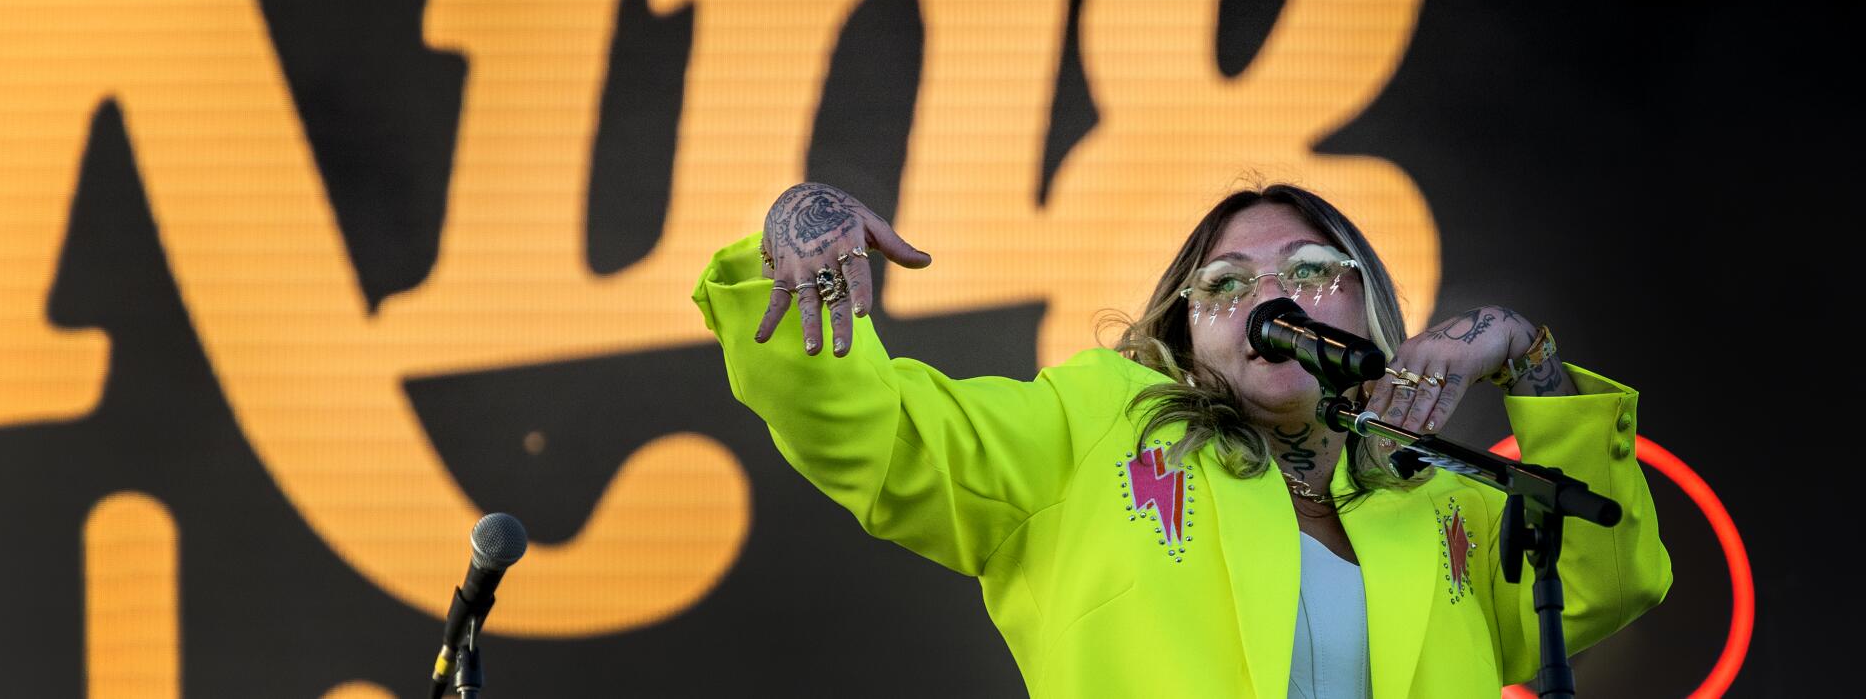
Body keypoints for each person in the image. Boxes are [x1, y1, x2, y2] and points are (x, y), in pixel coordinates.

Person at [691, 181, 1671, 698]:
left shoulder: (1443, 503)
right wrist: (794, 233)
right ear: (1185, 336)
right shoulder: (1095, 427)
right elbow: (876, 433)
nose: (1269, 294)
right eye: (1225, 284)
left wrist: (1527, 355)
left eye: (1310, 266)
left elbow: (1605, 577)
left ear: (1370, 310)